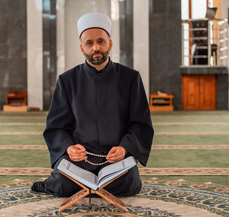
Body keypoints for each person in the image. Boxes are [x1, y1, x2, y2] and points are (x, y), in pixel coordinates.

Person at [31, 12, 154, 197]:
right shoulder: (67, 80)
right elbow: (56, 127)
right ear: (82, 48)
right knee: (62, 185)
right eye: (89, 43)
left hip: (115, 159)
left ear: (110, 44)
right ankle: (89, 186)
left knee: (131, 184)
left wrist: (125, 148)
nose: (96, 47)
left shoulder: (130, 78)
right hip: (79, 160)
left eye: (101, 41)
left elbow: (140, 123)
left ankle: (86, 187)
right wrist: (69, 148)